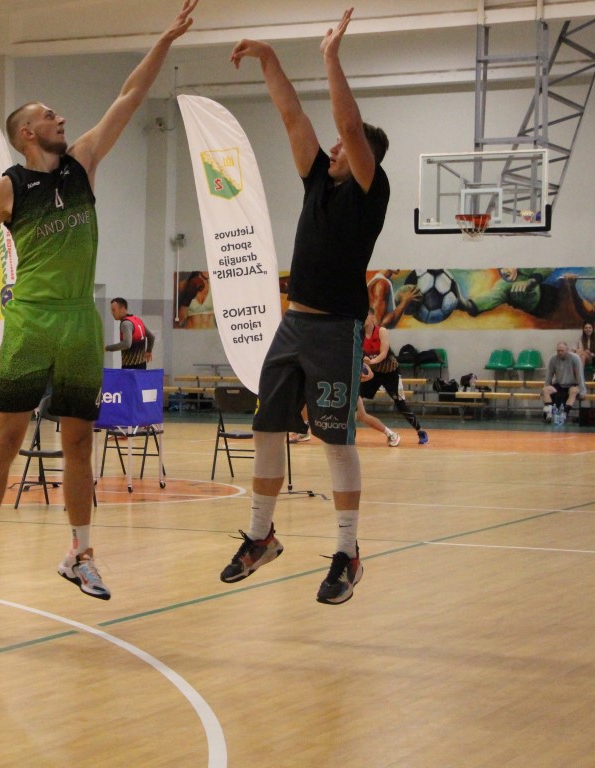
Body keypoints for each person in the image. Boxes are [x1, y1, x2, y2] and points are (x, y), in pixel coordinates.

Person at [0, 0, 198, 602]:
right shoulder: (7, 189)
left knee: (80, 442)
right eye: (48, 114)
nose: (61, 117)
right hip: (32, 321)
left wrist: (165, 40)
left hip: (80, 322)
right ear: (26, 134)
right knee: (7, 438)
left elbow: (130, 95)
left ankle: (80, 554)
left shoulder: (82, 163)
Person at [218, 9, 390, 606]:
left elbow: (347, 122)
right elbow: (293, 115)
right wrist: (269, 59)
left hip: (337, 330)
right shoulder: (318, 179)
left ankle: (347, 551)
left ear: (367, 158)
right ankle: (260, 536)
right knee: (266, 428)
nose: (335, 146)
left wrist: (330, 57)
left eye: (346, 145)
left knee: (336, 441)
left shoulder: (370, 190)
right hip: (292, 325)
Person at [360, 305, 428, 445]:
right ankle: (351, 431)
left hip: (390, 372)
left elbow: (384, 353)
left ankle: (420, 430)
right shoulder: (359, 334)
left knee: (401, 404)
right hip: (374, 373)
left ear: (372, 317)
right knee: (356, 395)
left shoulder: (381, 331)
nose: (363, 319)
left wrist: (371, 361)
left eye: (365, 316)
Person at [541, 342, 587, 425]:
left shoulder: (575, 358)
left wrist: (583, 391)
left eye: (562, 351)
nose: (560, 353)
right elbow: (549, 375)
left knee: (573, 391)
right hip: (559, 384)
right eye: (558, 351)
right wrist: (545, 386)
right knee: (545, 390)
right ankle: (549, 413)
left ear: (567, 350)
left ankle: (564, 413)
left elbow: (580, 375)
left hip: (572, 384)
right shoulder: (553, 359)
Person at [105, 297, 155, 370]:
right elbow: (151, 337)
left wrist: (107, 348)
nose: (112, 313)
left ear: (122, 309)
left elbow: (127, 344)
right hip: (142, 365)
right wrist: (149, 351)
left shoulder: (126, 324)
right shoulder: (137, 320)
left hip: (130, 368)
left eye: (113, 310)